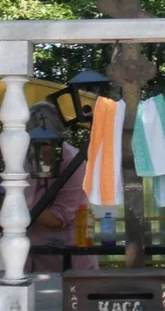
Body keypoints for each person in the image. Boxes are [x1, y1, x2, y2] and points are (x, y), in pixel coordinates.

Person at [25, 102, 97, 272]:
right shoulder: (19, 158)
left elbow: (58, 219)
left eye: (48, 145)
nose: (43, 151)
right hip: (28, 261)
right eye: (35, 144)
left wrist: (13, 202)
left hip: (67, 264)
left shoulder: (73, 161)